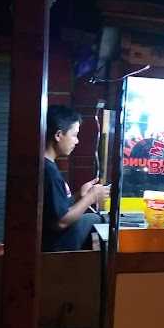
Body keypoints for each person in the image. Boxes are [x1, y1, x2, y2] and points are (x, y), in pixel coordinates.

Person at [42, 105, 110, 252]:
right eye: (74, 135)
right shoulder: (49, 172)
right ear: (58, 135)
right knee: (96, 220)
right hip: (53, 252)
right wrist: (91, 198)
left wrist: (80, 195)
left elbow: (56, 209)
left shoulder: (48, 166)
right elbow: (60, 221)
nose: (77, 141)